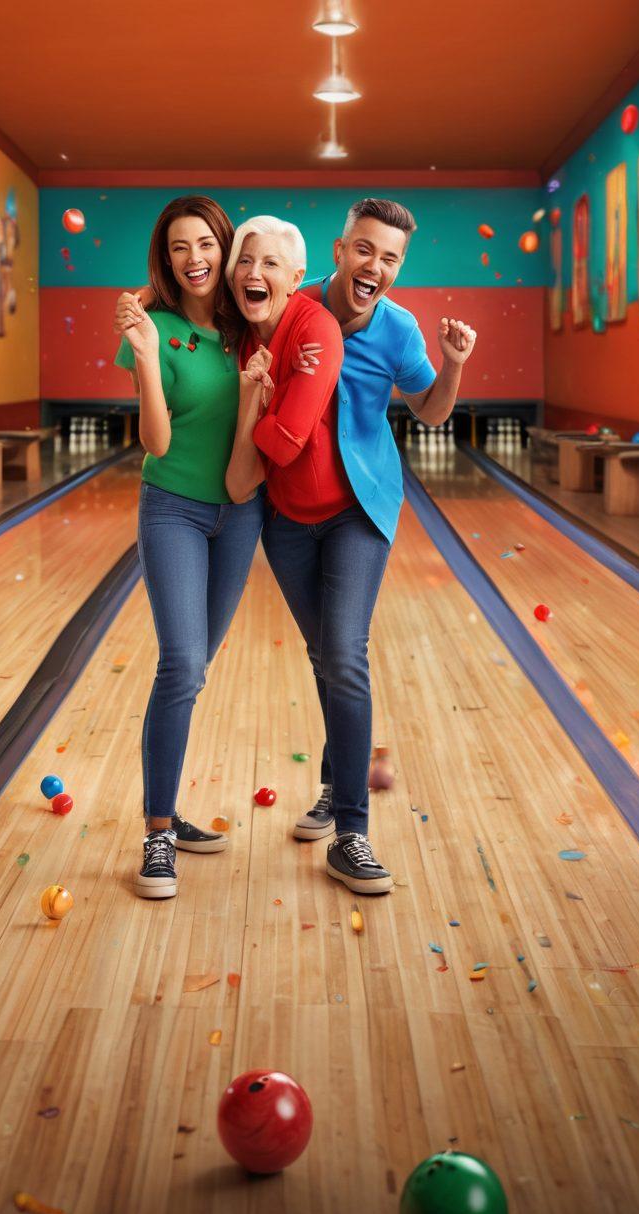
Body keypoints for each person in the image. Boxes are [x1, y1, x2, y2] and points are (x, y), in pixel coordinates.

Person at [227, 199, 477, 895]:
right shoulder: (290, 309)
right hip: (286, 515)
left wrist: (452, 365)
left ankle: (352, 831)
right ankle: (336, 786)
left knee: (342, 652)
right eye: (366, 249)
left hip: (359, 511)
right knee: (326, 655)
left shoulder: (397, 328)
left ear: (398, 267)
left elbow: (429, 411)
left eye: (391, 257)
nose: (376, 265)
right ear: (339, 251)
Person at [113, 196, 263, 900]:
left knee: (196, 668)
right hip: (172, 507)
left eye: (206, 243)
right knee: (179, 664)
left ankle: (169, 811)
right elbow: (156, 441)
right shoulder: (152, 329)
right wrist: (145, 353)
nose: (195, 257)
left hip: (239, 514)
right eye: (179, 246)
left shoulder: (250, 326)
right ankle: (157, 835)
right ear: (164, 256)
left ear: (223, 249)